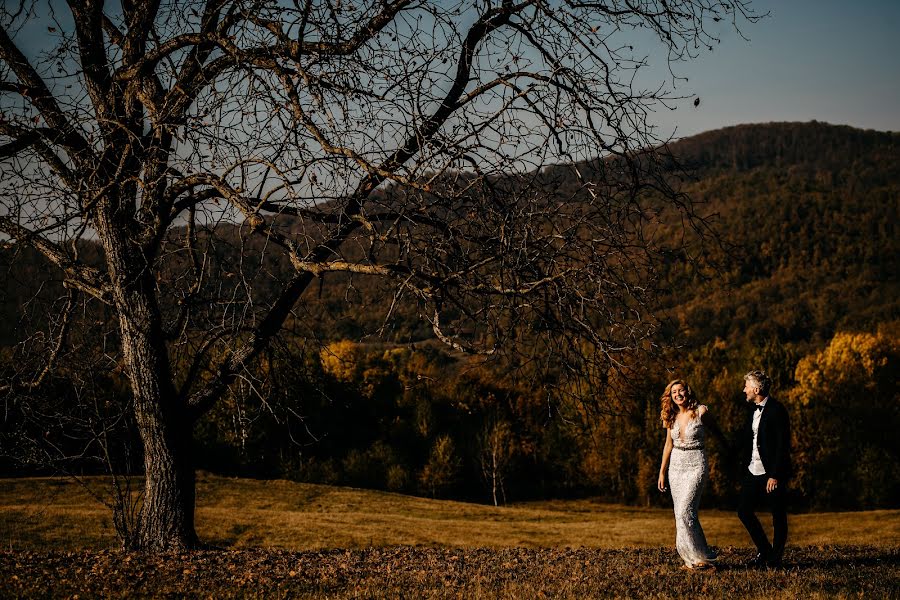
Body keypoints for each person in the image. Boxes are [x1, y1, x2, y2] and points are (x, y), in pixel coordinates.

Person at [657, 379, 718, 571]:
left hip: (696, 464)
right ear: (671, 396)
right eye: (674, 392)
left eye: (680, 390)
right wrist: (662, 471)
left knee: (686, 510)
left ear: (687, 391)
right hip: (676, 466)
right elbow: (668, 445)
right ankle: (690, 559)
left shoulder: (701, 412)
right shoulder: (671, 416)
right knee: (680, 514)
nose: (677, 394)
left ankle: (703, 555)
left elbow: (717, 431)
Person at [738, 370, 792, 569]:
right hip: (753, 470)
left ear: (757, 389)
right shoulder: (751, 410)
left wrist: (775, 475)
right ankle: (765, 550)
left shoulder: (777, 410)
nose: (744, 390)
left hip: (771, 473)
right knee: (743, 511)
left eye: (747, 386)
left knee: (778, 515)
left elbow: (782, 445)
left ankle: (775, 559)